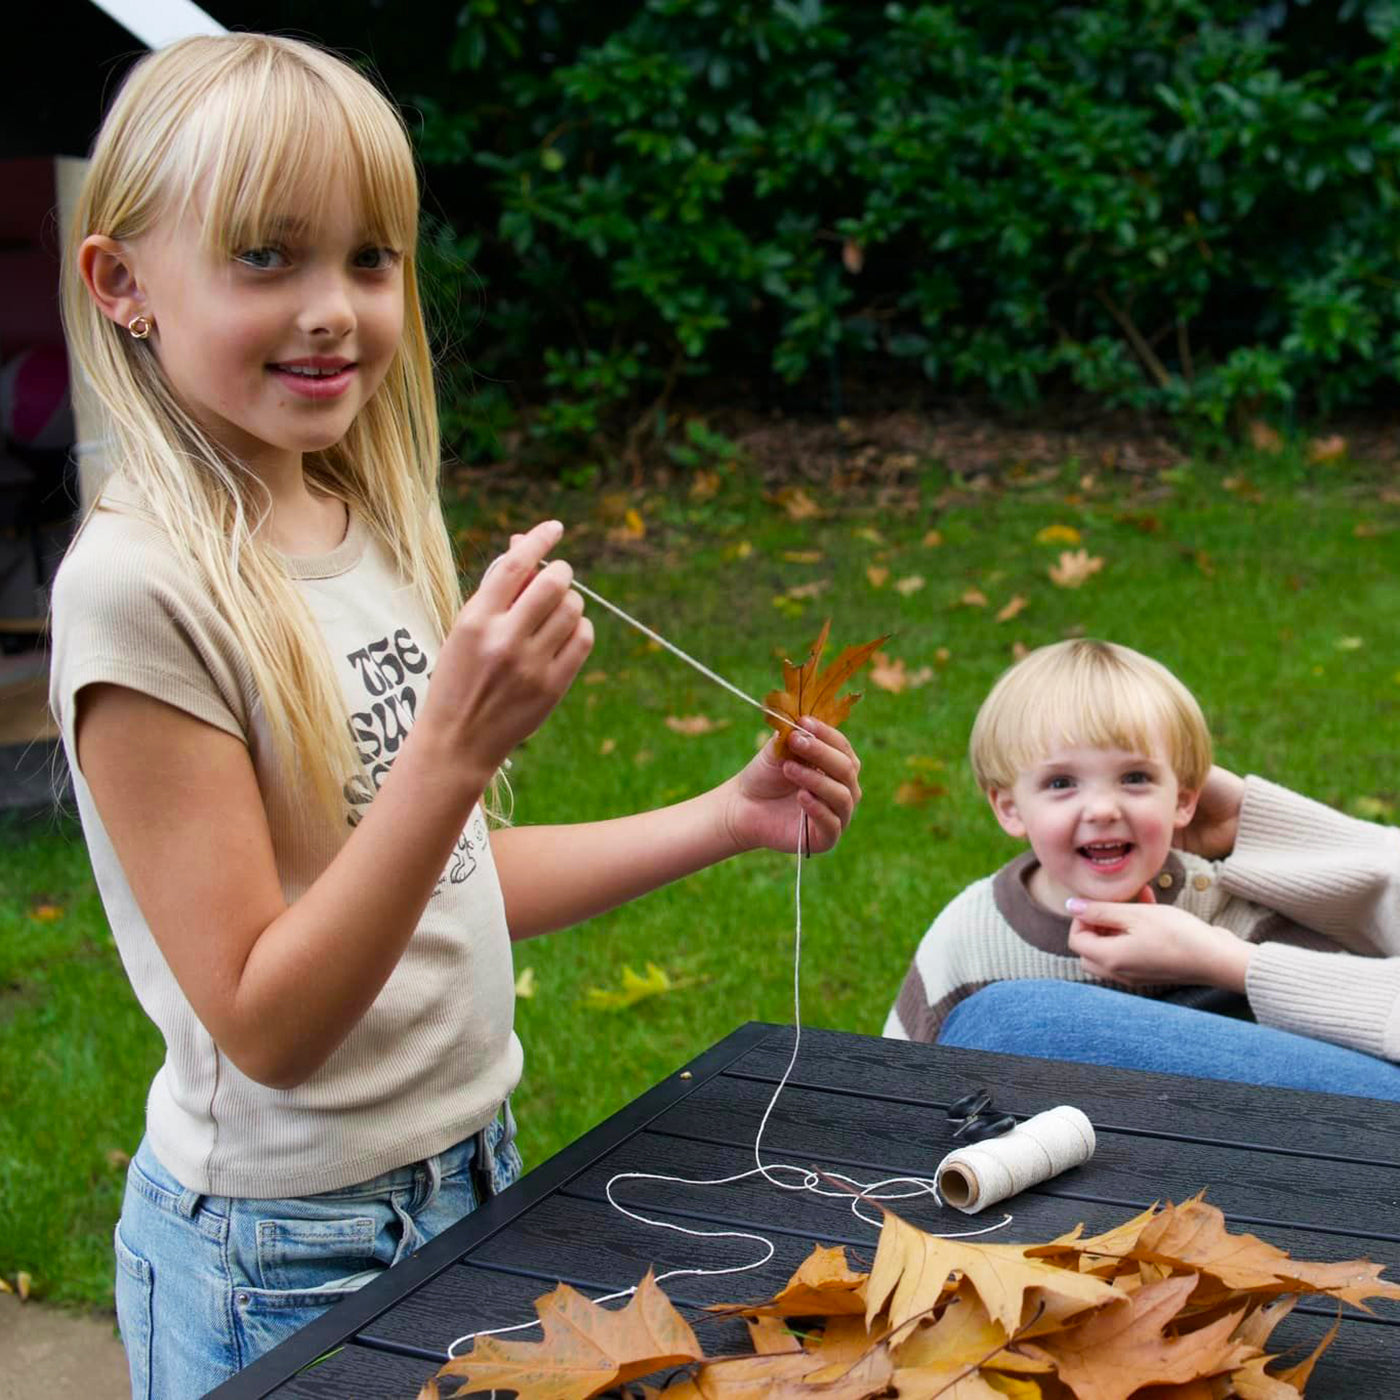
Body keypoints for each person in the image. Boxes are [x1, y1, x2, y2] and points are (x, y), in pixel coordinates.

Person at [50, 34, 862, 1397]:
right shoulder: (139, 589)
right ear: (122, 282)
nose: (334, 309)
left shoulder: (359, 524)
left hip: (473, 1173)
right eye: (266, 256)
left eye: (371, 258)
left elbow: (447, 881)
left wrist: (723, 818)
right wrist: (452, 749)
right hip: (286, 1247)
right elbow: (268, 1024)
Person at [884, 639, 1400, 1098]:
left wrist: (1227, 961)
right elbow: (900, 1078)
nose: (1103, 809)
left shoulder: (1229, 908)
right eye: (1062, 783)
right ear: (1009, 808)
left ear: (1185, 799)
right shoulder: (971, 934)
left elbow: (1353, 1044)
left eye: (1134, 777)